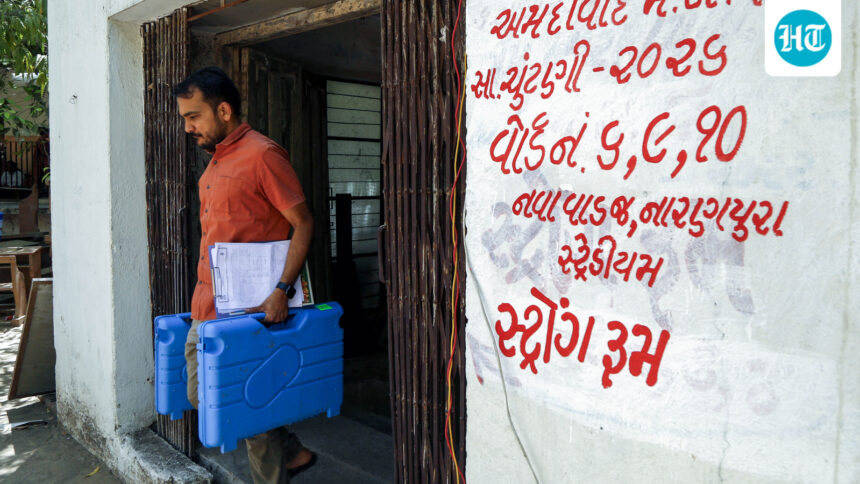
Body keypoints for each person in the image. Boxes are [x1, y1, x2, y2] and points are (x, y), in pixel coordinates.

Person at [174, 66, 316, 483]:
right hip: (208, 305)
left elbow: (303, 223)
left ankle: (279, 463)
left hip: (247, 310)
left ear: (224, 110)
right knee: (203, 396)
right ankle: (290, 449)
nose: (188, 127)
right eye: (185, 118)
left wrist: (282, 290)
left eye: (194, 116)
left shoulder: (262, 155)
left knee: (244, 406)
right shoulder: (215, 162)